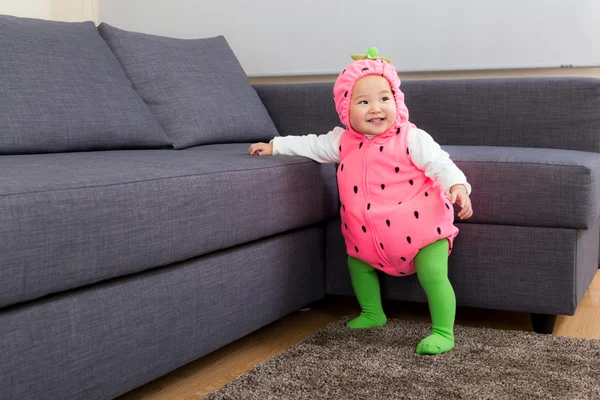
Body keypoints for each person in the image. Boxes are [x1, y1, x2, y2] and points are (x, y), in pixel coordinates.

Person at [249, 48, 473, 355]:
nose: (375, 108)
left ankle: (443, 331)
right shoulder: (342, 140)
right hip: (368, 236)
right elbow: (310, 144)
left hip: (423, 229)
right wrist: (275, 146)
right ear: (345, 109)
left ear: (397, 101)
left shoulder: (410, 137)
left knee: (433, 274)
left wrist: (458, 185)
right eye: (363, 101)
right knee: (357, 264)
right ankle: (372, 312)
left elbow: (440, 163)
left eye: (384, 99)